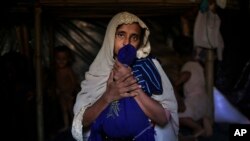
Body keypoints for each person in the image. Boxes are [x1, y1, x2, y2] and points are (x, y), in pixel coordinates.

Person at [71, 11, 179, 141]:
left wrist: (131, 83)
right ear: (111, 37)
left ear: (140, 42)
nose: (126, 43)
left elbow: (162, 119)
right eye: (121, 35)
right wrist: (108, 96)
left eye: (134, 37)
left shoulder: (149, 66)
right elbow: (83, 122)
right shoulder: (98, 70)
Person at [173, 35, 213, 139]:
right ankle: (205, 128)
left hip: (194, 99)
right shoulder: (198, 65)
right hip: (204, 99)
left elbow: (186, 75)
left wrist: (176, 84)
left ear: (177, 55)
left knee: (177, 117)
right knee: (199, 115)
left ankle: (198, 128)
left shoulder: (187, 65)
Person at [52, 45, 80, 132]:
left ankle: (74, 124)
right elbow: (56, 81)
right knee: (64, 109)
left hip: (68, 93)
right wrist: (57, 89)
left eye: (64, 58)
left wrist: (72, 92)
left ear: (68, 59)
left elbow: (74, 82)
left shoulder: (68, 70)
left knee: (70, 109)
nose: (61, 61)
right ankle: (66, 125)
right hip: (62, 93)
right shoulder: (56, 70)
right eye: (58, 58)